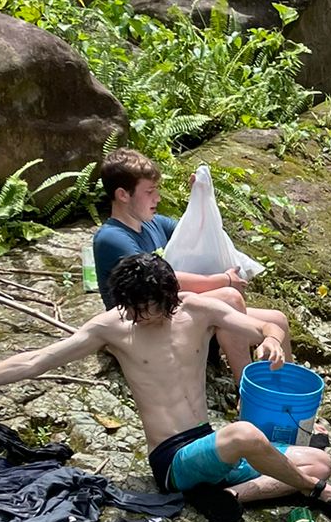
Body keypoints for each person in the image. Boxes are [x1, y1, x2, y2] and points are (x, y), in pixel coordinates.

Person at [0, 253, 331, 516]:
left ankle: (231, 497)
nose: (141, 316)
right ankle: (317, 493)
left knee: (318, 459)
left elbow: (264, 325)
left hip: (212, 449)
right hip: (174, 460)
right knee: (247, 435)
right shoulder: (112, 327)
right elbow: (35, 360)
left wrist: (272, 341)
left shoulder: (197, 310)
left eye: (150, 307)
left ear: (170, 297)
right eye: (133, 307)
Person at [92, 148, 293, 384]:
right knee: (228, 298)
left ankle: (286, 398)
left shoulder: (155, 224)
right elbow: (161, 281)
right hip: (143, 326)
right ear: (123, 195)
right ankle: (247, 392)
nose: (158, 198)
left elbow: (198, 231)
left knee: (277, 321)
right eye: (149, 191)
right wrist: (224, 280)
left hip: (171, 312)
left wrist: (199, 198)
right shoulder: (112, 238)